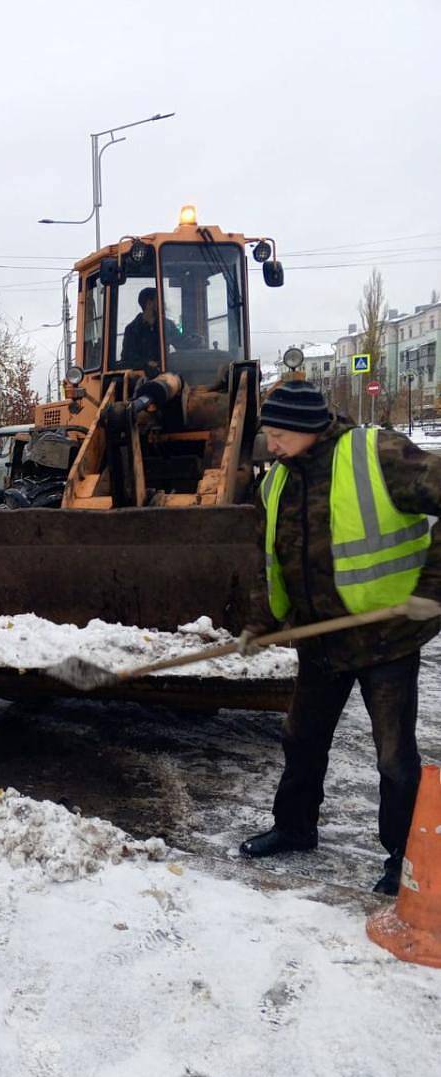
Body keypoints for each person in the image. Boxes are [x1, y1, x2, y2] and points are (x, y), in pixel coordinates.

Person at [237, 380, 441, 895]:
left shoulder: (380, 455)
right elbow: (272, 563)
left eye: (279, 435)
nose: (272, 446)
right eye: (269, 435)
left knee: (394, 758)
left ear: (309, 430)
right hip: (321, 642)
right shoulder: (275, 483)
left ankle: (404, 856)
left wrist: (432, 589)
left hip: (386, 640)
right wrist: (261, 623)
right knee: (300, 739)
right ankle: (295, 827)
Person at [120, 287, 199, 374]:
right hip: (141, 379)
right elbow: (127, 358)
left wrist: (194, 341)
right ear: (149, 304)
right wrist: (146, 364)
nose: (164, 305)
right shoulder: (132, 329)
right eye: (160, 301)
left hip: (165, 375)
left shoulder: (167, 325)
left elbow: (181, 342)